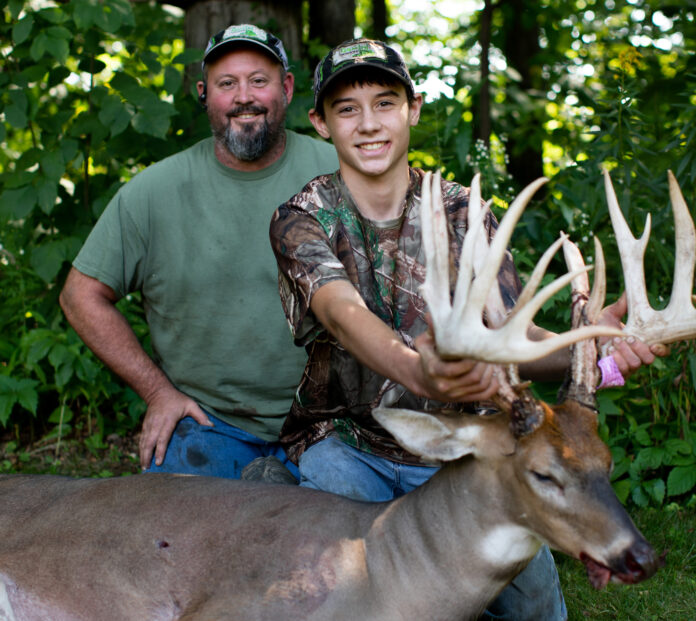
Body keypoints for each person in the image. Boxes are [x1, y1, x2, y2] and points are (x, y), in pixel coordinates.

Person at [270, 39, 665, 620]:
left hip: (469, 453)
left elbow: (511, 341)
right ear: (321, 124)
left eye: (385, 102)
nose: (369, 123)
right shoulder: (302, 217)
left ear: (414, 108)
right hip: (350, 446)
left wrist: (586, 348)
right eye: (347, 109)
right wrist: (414, 369)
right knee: (343, 598)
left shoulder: (464, 212)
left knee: (537, 611)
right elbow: (339, 313)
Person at [59, 24, 338, 478]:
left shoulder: (337, 172)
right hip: (210, 424)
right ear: (205, 95)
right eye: (227, 84)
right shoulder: (154, 192)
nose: (243, 96)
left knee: (359, 535)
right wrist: (157, 393)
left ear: (286, 88)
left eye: (259, 80)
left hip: (329, 422)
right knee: (170, 540)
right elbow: (80, 295)